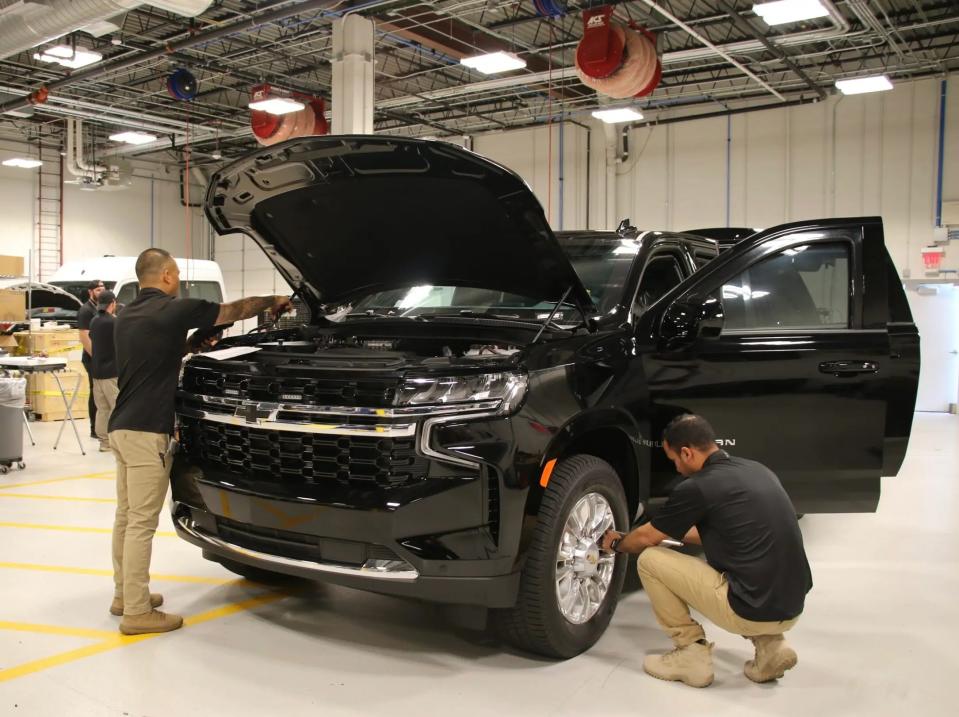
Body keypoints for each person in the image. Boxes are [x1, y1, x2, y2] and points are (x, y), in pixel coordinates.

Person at [108, 248, 292, 635]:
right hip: (147, 430)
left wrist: (192, 347)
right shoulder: (173, 310)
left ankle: (125, 595)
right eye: (177, 276)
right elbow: (235, 310)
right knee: (141, 523)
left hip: (121, 426)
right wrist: (275, 301)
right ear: (169, 275)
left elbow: (157, 359)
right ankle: (137, 613)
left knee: (126, 517)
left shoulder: (127, 315)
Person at [601, 414, 812, 688]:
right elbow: (729, 533)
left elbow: (644, 539)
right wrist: (664, 533)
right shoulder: (757, 469)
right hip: (792, 606)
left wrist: (616, 543)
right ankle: (772, 645)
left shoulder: (698, 487)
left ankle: (690, 655)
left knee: (650, 559)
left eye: (674, 459)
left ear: (687, 452)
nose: (676, 468)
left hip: (748, 610)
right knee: (753, 566)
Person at [89, 290, 119, 452]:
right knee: (115, 407)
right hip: (111, 373)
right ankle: (115, 442)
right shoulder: (113, 322)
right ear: (112, 303)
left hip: (97, 372)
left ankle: (104, 443)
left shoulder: (94, 321)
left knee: (102, 409)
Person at [77, 279, 104, 439]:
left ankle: (100, 426)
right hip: (92, 358)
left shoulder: (99, 308)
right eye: (98, 290)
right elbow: (84, 337)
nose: (101, 292)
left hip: (101, 357)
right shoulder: (86, 310)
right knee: (95, 392)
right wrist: (97, 357)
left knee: (100, 392)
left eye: (103, 289)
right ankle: (94, 428)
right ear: (91, 292)